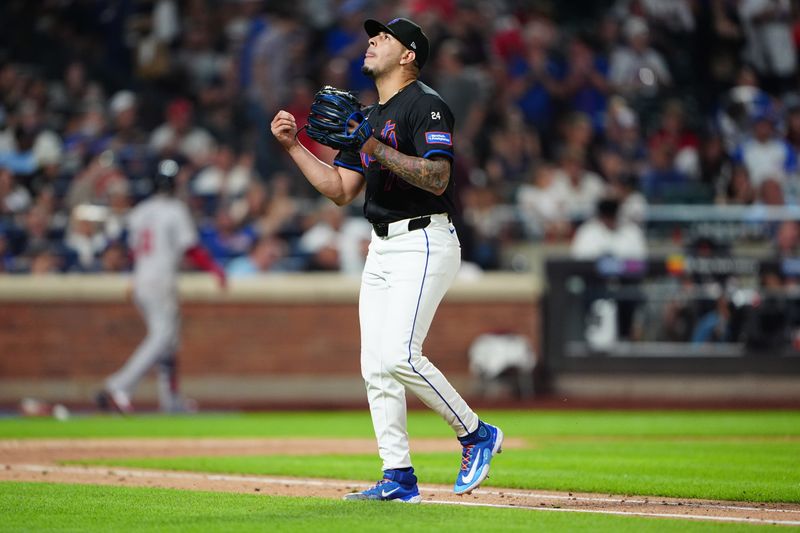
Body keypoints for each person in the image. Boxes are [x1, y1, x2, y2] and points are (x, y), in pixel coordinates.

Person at [270, 17, 503, 503]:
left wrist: (371, 144)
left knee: (400, 355)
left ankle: (476, 433)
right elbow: (340, 190)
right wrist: (295, 148)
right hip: (381, 245)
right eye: (372, 35)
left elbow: (438, 177)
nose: (372, 40)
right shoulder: (368, 116)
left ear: (409, 55)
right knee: (376, 367)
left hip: (423, 238)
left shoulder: (426, 105)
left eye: (385, 36)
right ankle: (398, 476)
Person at [96, 159, 226, 414]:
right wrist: (214, 269)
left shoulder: (140, 210)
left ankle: (171, 401)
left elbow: (132, 252)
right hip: (160, 280)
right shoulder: (175, 210)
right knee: (162, 337)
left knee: (169, 341)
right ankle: (119, 385)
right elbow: (191, 248)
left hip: (141, 279)